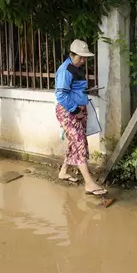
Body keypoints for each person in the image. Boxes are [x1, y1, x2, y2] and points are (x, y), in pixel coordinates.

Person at [55, 39, 107, 196]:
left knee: (74, 142)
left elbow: (73, 90)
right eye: (80, 57)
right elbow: (61, 95)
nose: (83, 60)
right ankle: (89, 183)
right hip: (68, 111)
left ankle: (63, 171)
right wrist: (76, 109)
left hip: (78, 109)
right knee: (80, 143)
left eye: (85, 57)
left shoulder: (75, 67)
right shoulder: (66, 70)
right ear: (71, 54)